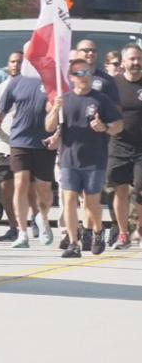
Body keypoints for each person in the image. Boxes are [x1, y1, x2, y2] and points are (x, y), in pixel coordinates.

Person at [0, 46, 58, 249]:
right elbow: (0, 114)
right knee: (20, 183)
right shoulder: (16, 83)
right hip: (19, 142)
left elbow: (62, 113)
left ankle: (42, 217)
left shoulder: (51, 82)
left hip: (44, 142)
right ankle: (22, 232)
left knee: (44, 189)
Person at [45, 58, 123, 257]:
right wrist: (55, 108)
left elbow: (118, 125)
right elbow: (49, 126)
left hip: (94, 160)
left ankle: (98, 231)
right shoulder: (65, 100)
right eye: (80, 74)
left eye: (88, 73)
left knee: (91, 203)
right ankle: (74, 243)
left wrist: (104, 127)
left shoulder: (100, 100)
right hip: (69, 159)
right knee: (69, 200)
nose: (85, 78)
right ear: (71, 78)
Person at [0, 51, 39, 242]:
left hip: (26, 144)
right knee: (6, 187)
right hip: (4, 146)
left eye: (20, 61)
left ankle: (36, 220)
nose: (16, 65)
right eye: (13, 61)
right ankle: (13, 226)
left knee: (29, 188)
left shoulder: (33, 87)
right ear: (8, 64)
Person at [107, 44, 142, 250]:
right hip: (119, 145)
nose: (136, 63)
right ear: (123, 62)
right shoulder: (114, 85)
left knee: (140, 191)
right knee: (120, 190)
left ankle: (140, 230)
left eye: (138, 58)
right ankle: (122, 234)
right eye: (132, 59)